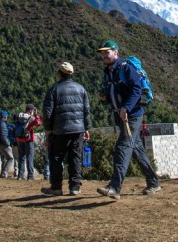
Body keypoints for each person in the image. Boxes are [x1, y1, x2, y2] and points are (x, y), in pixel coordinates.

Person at [95, 40, 161, 200]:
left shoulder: (126, 68)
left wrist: (126, 108)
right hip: (121, 114)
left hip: (132, 114)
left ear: (115, 52)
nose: (104, 55)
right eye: (102, 52)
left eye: (107, 52)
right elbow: (114, 93)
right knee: (136, 148)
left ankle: (114, 187)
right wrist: (104, 98)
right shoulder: (109, 71)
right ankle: (153, 182)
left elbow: (137, 89)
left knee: (123, 147)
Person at [41, 62, 92, 196]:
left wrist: (48, 129)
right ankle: (75, 187)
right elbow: (86, 111)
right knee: (75, 157)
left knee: (56, 158)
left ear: (59, 73)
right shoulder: (81, 89)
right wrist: (87, 128)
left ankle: (56, 187)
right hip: (78, 130)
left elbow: (47, 113)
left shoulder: (53, 90)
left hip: (59, 131)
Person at [15, 103, 42, 180]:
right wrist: (36, 115)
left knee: (21, 157)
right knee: (29, 157)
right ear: (31, 110)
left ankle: (20, 176)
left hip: (19, 139)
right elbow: (38, 123)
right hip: (28, 139)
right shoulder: (31, 117)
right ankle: (30, 176)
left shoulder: (20, 116)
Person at [0, 111, 15, 178]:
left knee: (4, 158)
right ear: (5, 116)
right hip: (3, 144)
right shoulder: (2, 124)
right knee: (10, 158)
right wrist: (8, 144)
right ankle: (4, 172)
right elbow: (3, 135)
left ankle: (2, 173)